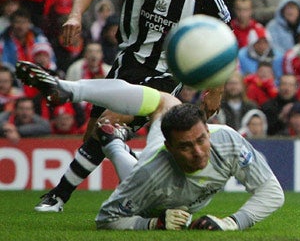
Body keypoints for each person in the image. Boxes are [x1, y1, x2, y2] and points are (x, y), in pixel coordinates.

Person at [34, 0, 231, 213]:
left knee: (107, 125)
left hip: (165, 76)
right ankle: (129, 180)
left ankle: (59, 196)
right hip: (125, 65)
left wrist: (217, 89)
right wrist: (75, 16)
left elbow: (225, 41)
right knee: (95, 136)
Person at [16, 60, 284, 230]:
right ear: (170, 147)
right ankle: (112, 142)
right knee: (135, 170)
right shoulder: (149, 174)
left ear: (207, 130)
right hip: (151, 184)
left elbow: (272, 193)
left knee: (167, 101)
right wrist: (153, 223)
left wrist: (232, 223)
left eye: (202, 139)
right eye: (187, 147)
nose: (200, 151)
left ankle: (71, 91)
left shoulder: (227, 139)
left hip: (160, 163)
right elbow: (106, 219)